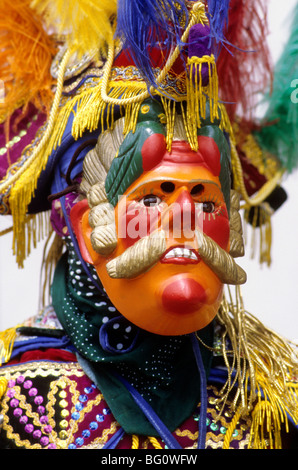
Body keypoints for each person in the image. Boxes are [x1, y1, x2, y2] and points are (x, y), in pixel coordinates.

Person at [0, 0, 297, 450]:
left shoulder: (274, 393)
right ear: (86, 227)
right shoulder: (12, 391)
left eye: (203, 198)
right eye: (154, 197)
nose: (183, 219)